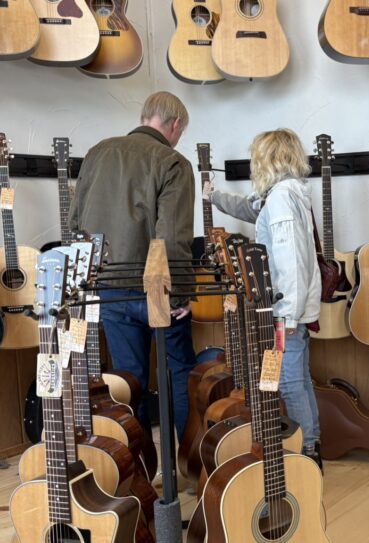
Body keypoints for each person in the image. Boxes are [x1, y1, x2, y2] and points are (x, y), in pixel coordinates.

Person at [69, 91, 197, 439]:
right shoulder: (173, 162)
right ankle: (189, 459)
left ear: (145, 117)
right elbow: (172, 238)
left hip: (107, 288)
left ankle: (136, 464)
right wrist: (180, 294)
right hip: (157, 289)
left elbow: (75, 223)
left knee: (128, 380)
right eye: (180, 132)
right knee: (180, 370)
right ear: (175, 124)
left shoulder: (97, 153)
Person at [204, 128, 323, 467]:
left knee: (290, 383)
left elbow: (290, 262)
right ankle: (312, 447)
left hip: (286, 311)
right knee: (299, 380)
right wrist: (213, 196)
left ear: (267, 159)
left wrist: (285, 315)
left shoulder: (282, 198)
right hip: (292, 308)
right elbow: (250, 208)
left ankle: (305, 454)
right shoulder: (285, 194)